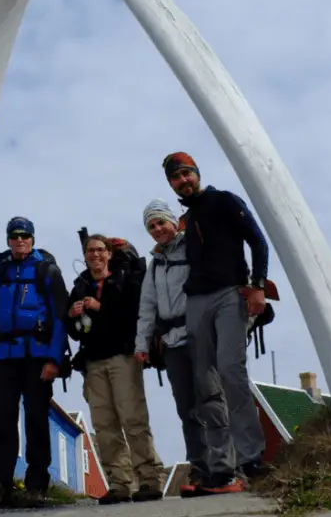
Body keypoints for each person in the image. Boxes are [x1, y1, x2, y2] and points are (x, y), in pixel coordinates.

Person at [162, 151, 271, 493]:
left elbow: (258, 241)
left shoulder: (224, 200)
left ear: (196, 173)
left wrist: (257, 286)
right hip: (197, 301)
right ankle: (220, 468)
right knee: (204, 382)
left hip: (230, 294)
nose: (183, 181)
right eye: (175, 178)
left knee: (231, 371)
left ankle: (252, 458)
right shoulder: (188, 219)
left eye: (186, 174)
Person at [0, 216, 70, 510]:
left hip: (38, 357)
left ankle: (36, 486)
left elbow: (60, 319)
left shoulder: (47, 272)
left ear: (33, 238)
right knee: (1, 422)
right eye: (14, 236)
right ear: (8, 239)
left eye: (25, 235)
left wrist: (54, 359)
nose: (20, 240)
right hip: (4, 358)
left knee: (37, 421)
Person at [68, 233, 164, 504]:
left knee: (133, 418)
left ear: (109, 254)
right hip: (93, 362)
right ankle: (119, 484)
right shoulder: (80, 285)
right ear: (85, 256)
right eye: (90, 251)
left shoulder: (126, 280)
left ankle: (148, 480)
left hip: (123, 357)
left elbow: (133, 316)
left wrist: (100, 307)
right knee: (104, 424)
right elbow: (74, 333)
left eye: (100, 250)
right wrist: (72, 315)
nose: (95, 255)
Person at [133, 198, 210, 491]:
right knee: (186, 408)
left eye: (160, 222)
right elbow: (147, 306)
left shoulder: (193, 247)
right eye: (151, 226)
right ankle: (200, 471)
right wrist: (142, 343)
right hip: (172, 343)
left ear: (172, 221)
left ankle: (227, 467)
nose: (157, 229)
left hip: (199, 334)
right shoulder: (155, 265)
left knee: (212, 401)